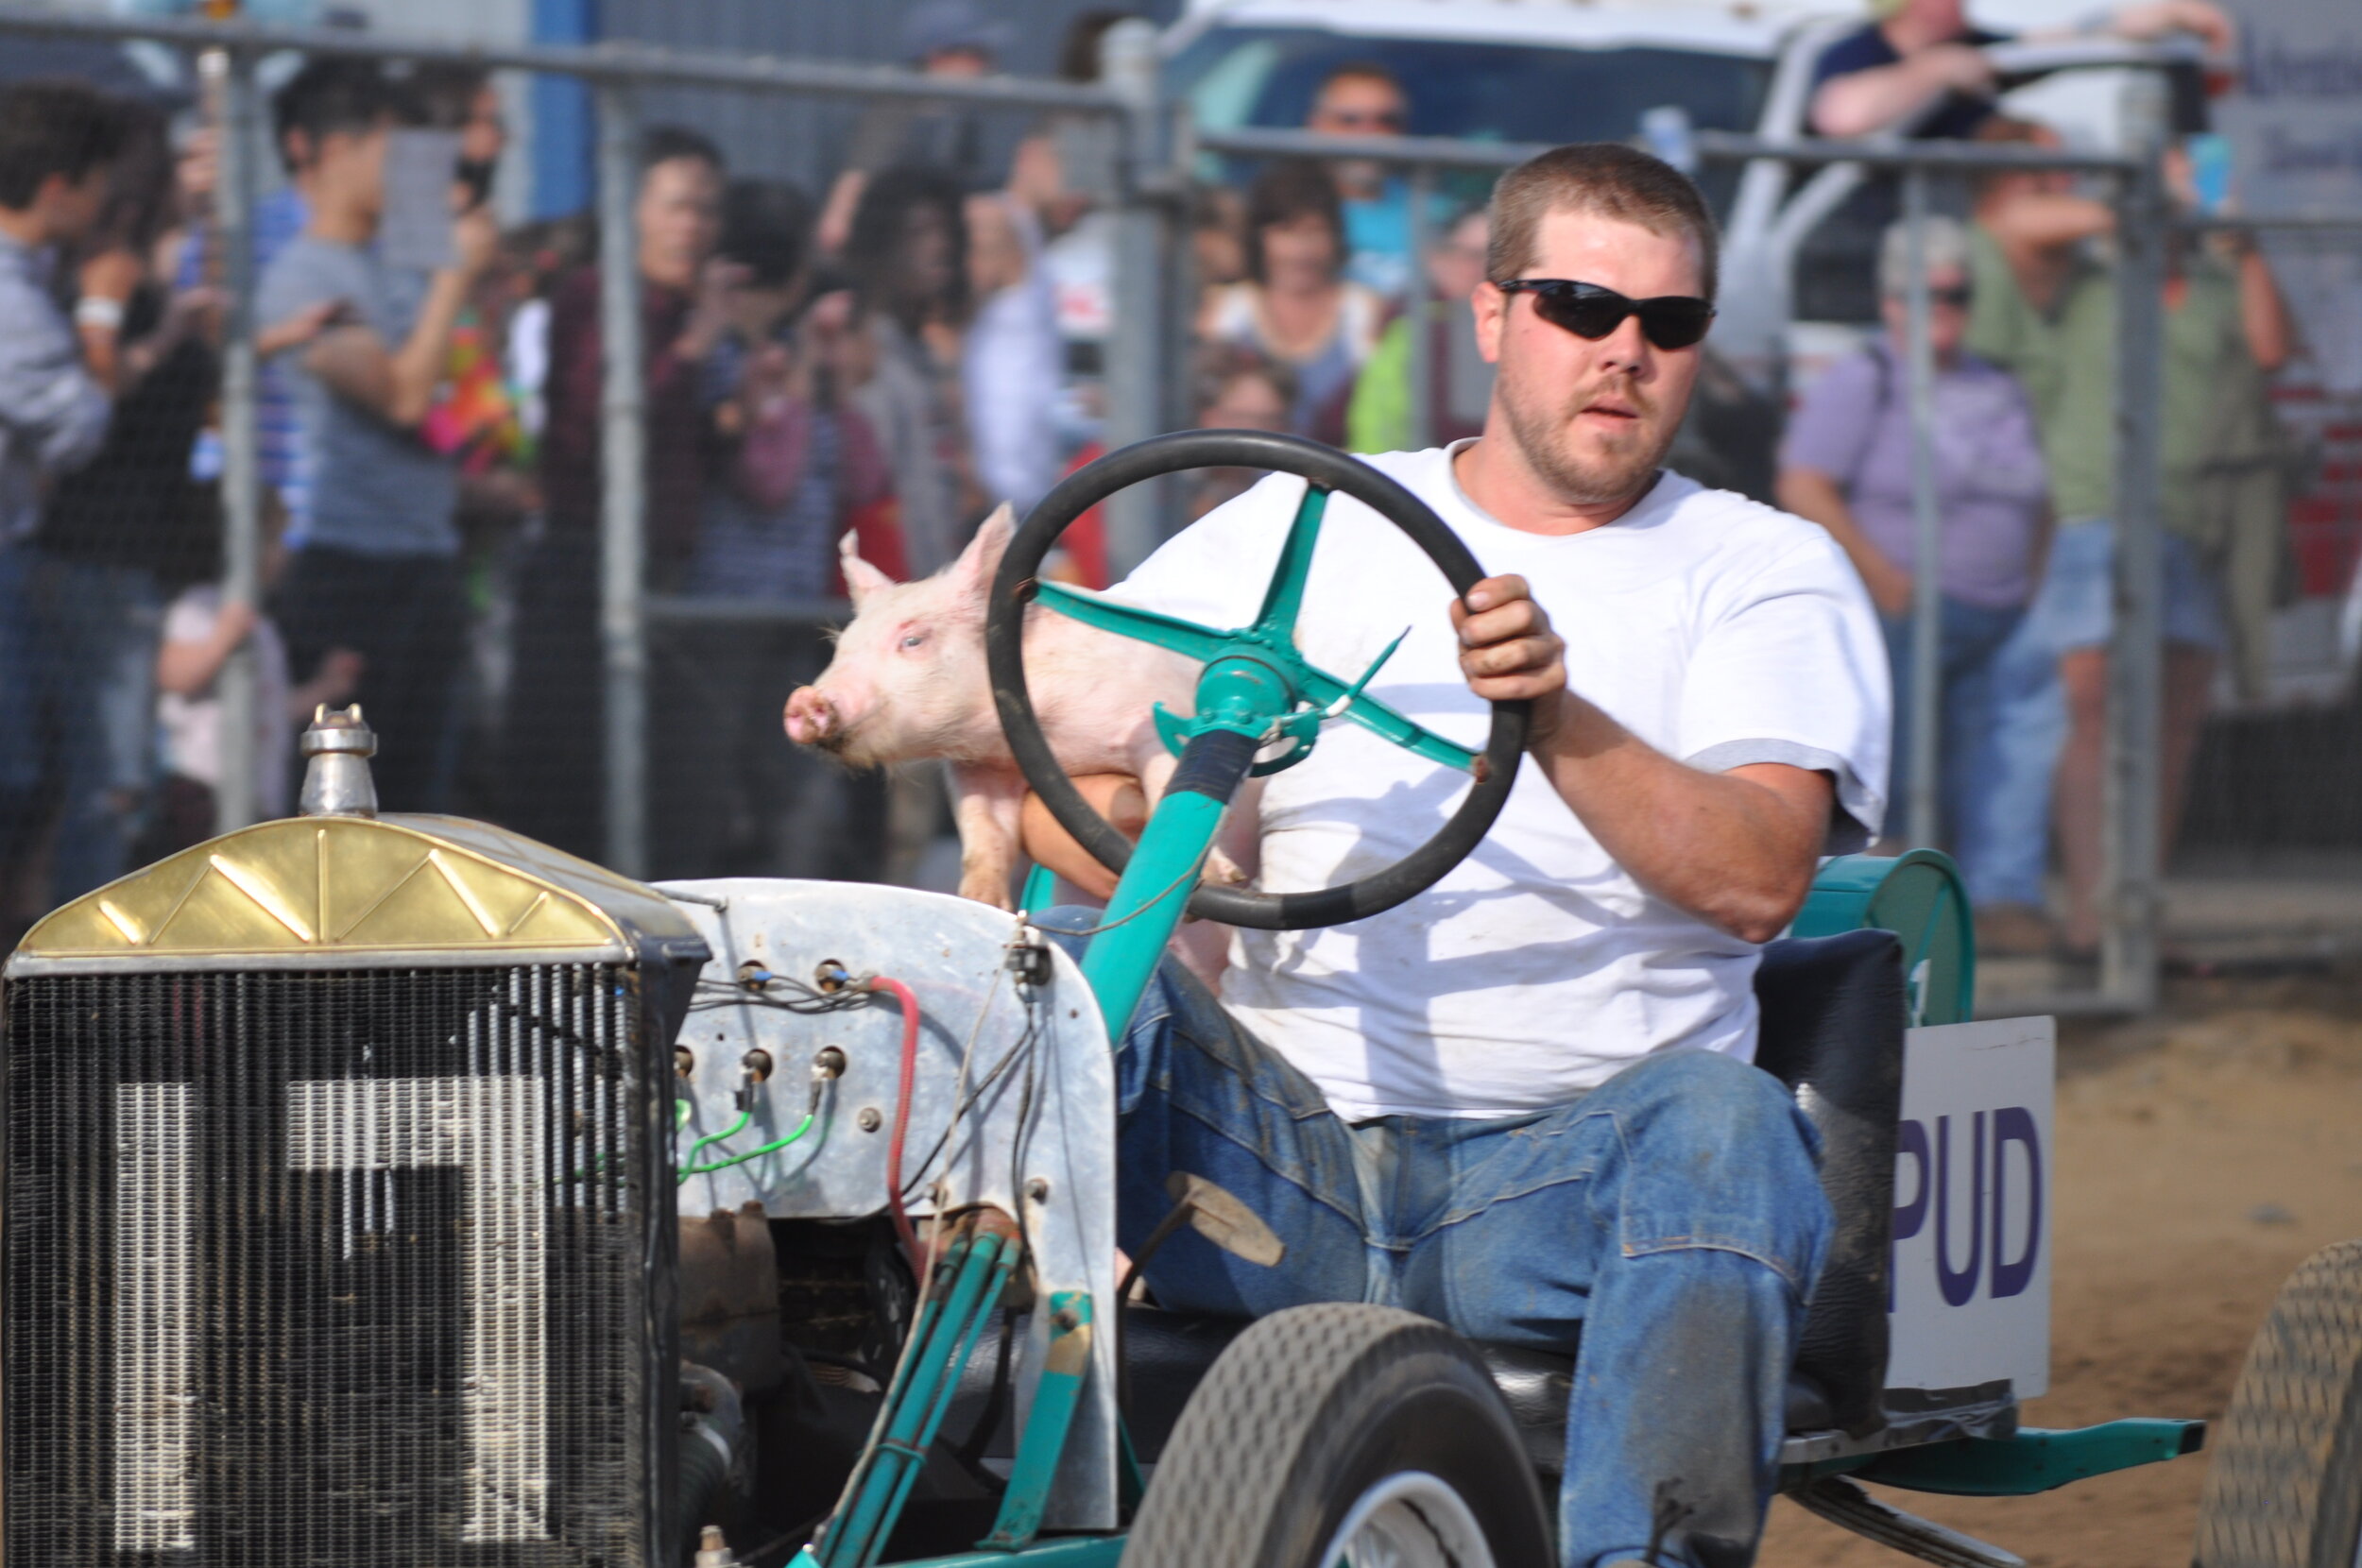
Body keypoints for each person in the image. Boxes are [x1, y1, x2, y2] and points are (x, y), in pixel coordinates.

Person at [1029, 142, 1887, 1568]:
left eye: (1667, 325)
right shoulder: (1308, 522)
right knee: (1029, 982)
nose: (1623, 354)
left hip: (1553, 1191)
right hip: (1272, 1166)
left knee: (1726, 1129)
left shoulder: (1758, 567)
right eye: (1578, 308)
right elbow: (1075, 768)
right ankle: (902, 1476)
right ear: (1492, 318)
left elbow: (1758, 881)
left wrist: (1552, 711)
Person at [1966, 116, 2294, 959]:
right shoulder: (2089, 274)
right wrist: (2148, 194)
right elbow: (2010, 222)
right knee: (2094, 712)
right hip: (2094, 515)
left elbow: (2270, 349)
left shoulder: (2217, 278)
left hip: (2194, 523)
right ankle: (2090, 913)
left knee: (2174, 727)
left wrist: (2238, 236)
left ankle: (2135, 908)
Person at [1776, 215, 2047, 892]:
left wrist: (2034, 579)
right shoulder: (1865, 376)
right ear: (1894, 303)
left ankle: (1992, 907)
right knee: (1903, 784)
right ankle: (1889, 920)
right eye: (1933, 295)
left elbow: (2039, 494)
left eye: (1960, 295)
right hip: (1911, 617)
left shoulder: (1995, 381)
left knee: (1991, 773)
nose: (1949, 310)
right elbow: (1803, 482)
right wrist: (1886, 580)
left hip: (2004, 617)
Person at [257, 60, 498, 815]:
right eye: (388, 149)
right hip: (347, 566)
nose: (405, 172)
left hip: (427, 557)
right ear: (331, 151)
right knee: (344, 799)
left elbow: (460, 395)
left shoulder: (401, 264)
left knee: (421, 794)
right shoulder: (303, 278)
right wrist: (455, 281)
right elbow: (400, 399)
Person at [504, 126, 729, 860]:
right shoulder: (595, 298)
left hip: (665, 569)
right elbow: (596, 423)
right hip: (582, 564)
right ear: (631, 210)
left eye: (706, 210)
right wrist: (693, 351)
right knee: (568, 782)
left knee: (666, 788)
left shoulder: (683, 312)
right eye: (676, 206)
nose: (691, 227)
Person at [32, 98, 221, 901]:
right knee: (105, 784)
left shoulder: (146, 282)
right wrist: (163, 336)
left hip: (125, 562)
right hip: (91, 560)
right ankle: (78, 973)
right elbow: (93, 398)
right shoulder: (101, 288)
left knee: (107, 780)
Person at [0, 78, 120, 932]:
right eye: (96, 179)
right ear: (56, 187)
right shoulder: (14, 299)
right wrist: (106, 316)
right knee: (20, 779)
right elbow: (78, 428)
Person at [1810, 0, 2234, 141]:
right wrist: (1932, 72)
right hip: (1849, 279)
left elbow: (2054, 45)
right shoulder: (1851, 52)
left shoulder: (1973, 49)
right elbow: (1840, 115)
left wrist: (2161, 14)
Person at [845, 164, 979, 576]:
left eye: (946, 233)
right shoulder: (863, 355)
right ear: (883, 245)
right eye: (919, 233)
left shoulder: (925, 358)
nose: (939, 247)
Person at [1199, 158, 1386, 444]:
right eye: (1286, 231)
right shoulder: (1224, 311)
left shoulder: (1365, 312)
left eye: (1314, 232)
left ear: (1335, 237)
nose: (1301, 250)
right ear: (1259, 237)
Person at [815, 0, 1011, 258]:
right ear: (939, 57)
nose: (988, 67)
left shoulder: (961, 123)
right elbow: (838, 225)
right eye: (977, 54)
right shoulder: (894, 114)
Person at [1345, 205, 1496, 454]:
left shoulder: (1520, 333)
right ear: (1440, 260)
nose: (1485, 269)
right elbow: (1374, 427)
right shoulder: (1412, 329)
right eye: (1474, 256)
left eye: (1496, 257)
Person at [1301, 60, 1446, 300]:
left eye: (1386, 120)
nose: (1369, 132)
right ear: (1316, 126)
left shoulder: (1436, 213)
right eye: (1350, 120)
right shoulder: (1286, 214)